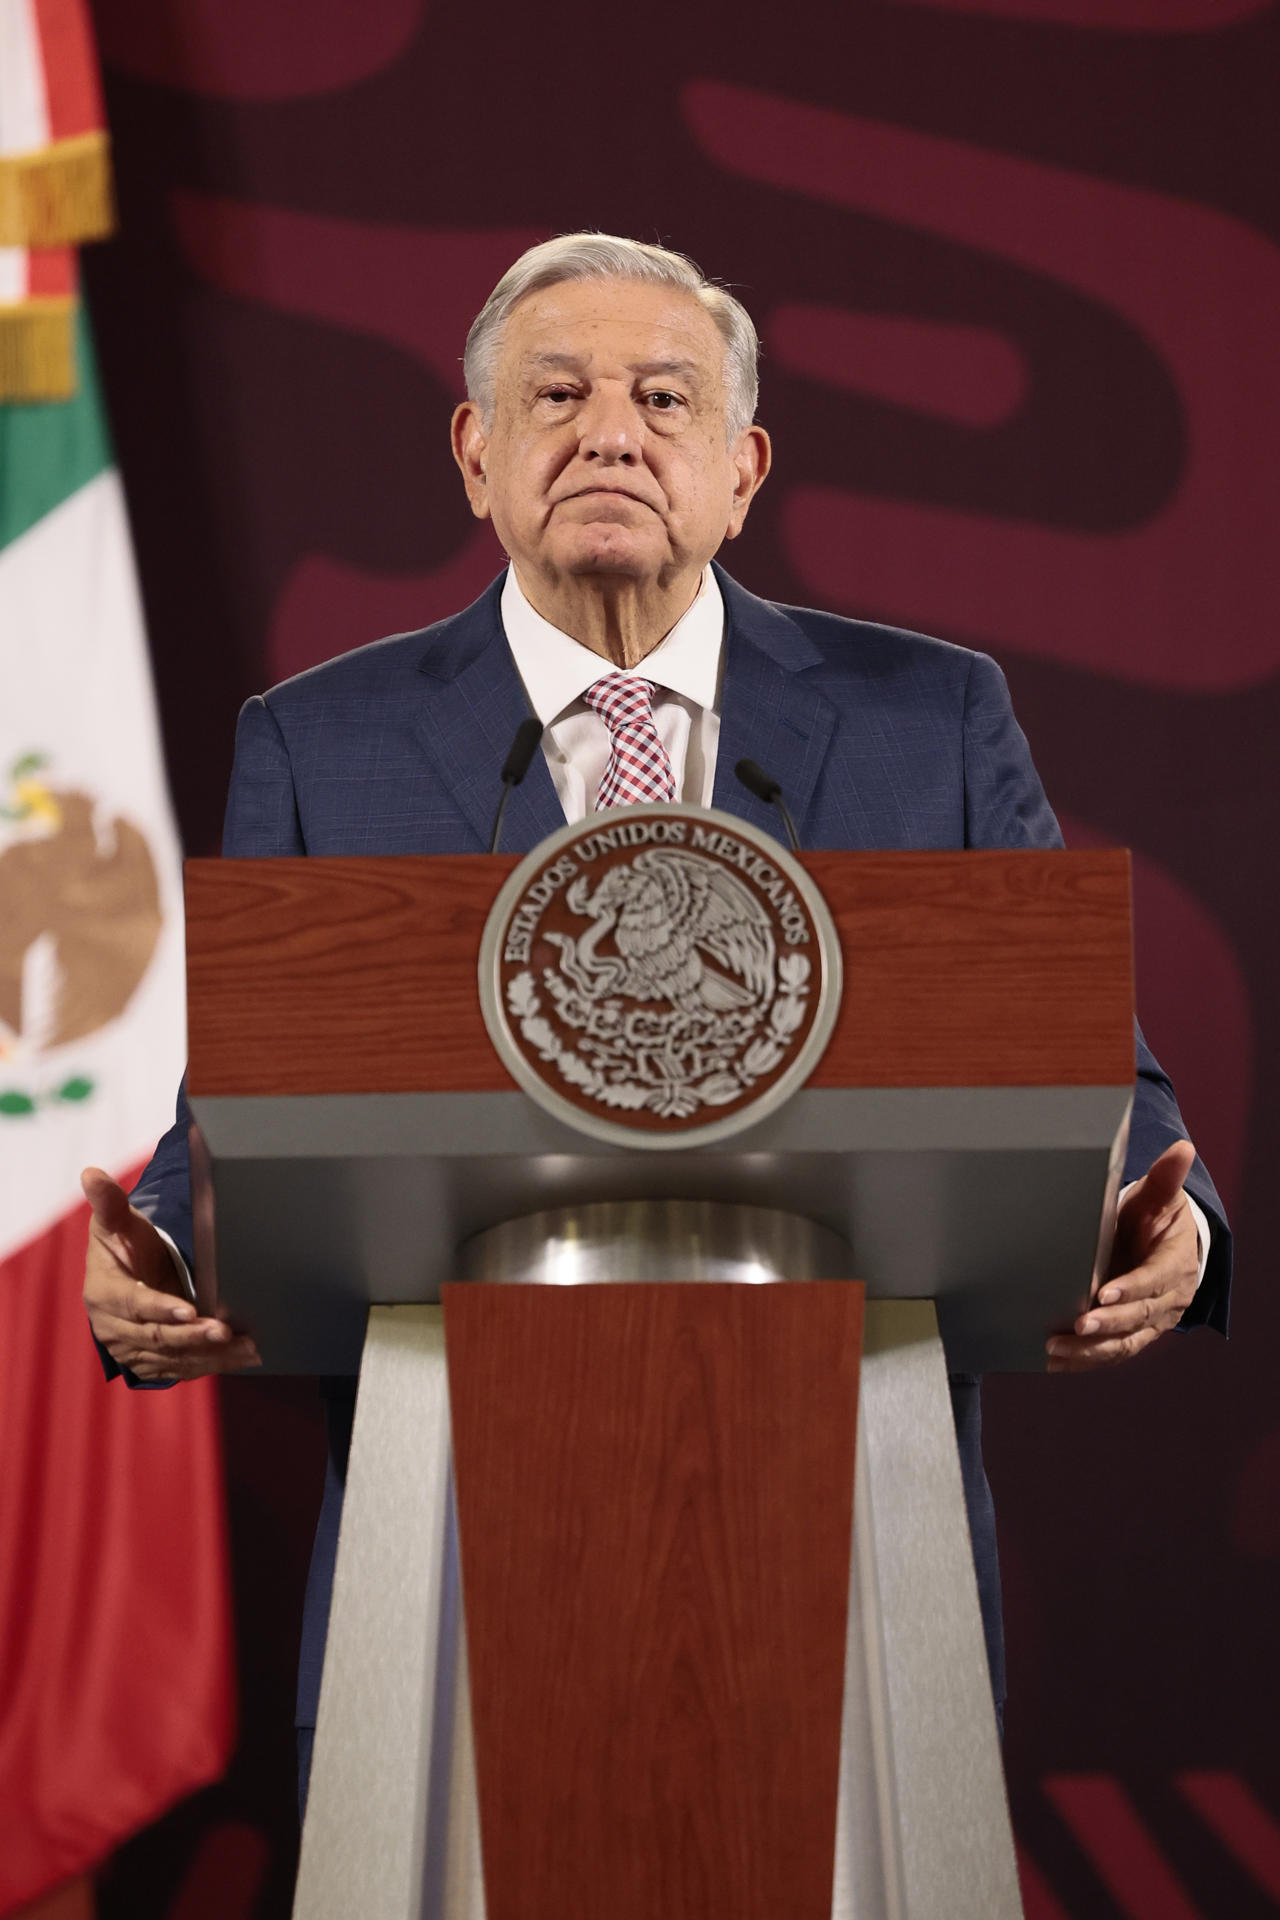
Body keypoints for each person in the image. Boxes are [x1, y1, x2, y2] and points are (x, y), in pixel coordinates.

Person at [81, 233, 1231, 1793]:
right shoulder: (319, 741)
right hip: (456, 1530)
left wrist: (1173, 1230)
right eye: (556, 394)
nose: (610, 430)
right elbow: (253, 1086)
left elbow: (1097, 1065)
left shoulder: (931, 717)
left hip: (848, 1511)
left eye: (663, 398)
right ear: (474, 455)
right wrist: (160, 1248)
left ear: (744, 467)